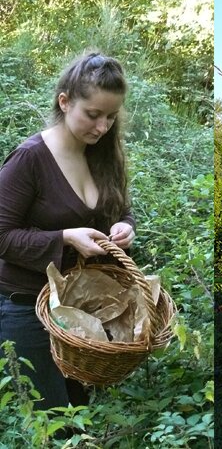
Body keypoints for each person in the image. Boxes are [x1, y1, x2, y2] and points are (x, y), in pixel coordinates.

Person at [0, 52, 135, 410]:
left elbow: (121, 211)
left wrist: (124, 227)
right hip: (27, 309)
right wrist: (63, 238)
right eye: (93, 114)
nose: (103, 127)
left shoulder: (104, 155)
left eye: (110, 116)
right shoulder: (30, 158)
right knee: (54, 422)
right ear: (65, 101)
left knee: (81, 415)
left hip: (83, 312)